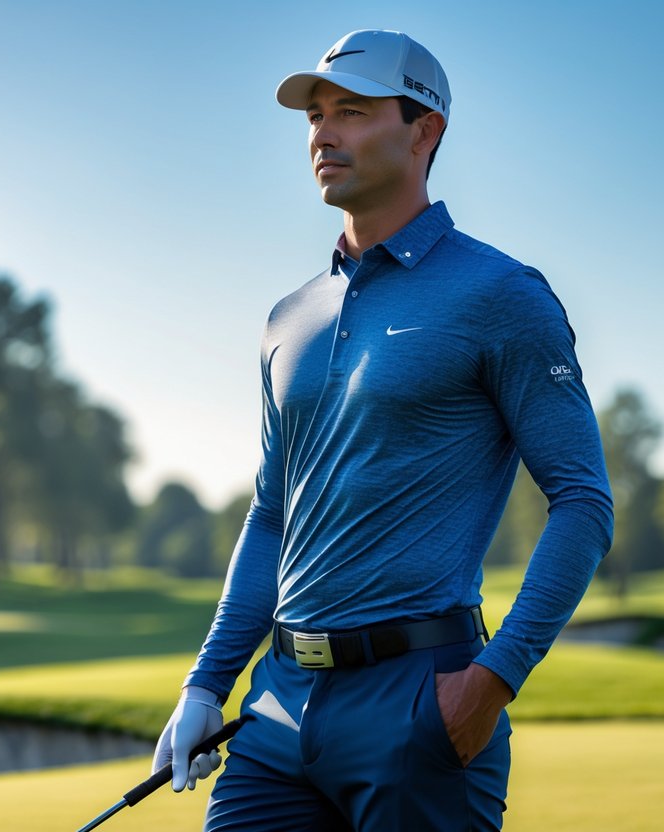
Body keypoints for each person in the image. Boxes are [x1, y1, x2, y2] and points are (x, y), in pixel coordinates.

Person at [152, 29, 614, 831]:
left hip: (418, 699)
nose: (323, 133)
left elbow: (582, 501)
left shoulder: (500, 294)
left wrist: (491, 682)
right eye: (315, 116)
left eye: (352, 112)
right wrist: (206, 683)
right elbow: (272, 515)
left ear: (423, 130)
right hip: (277, 705)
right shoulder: (286, 319)